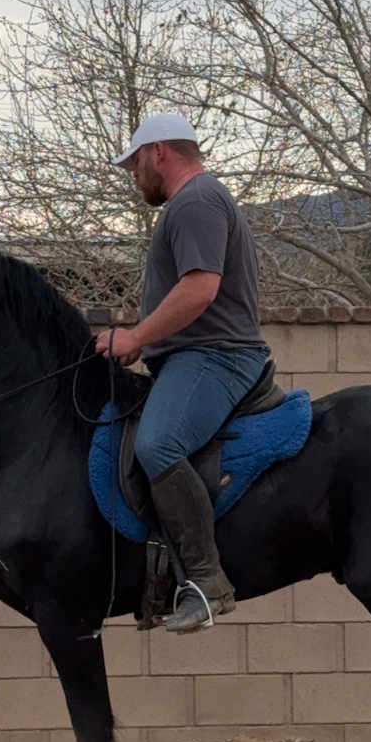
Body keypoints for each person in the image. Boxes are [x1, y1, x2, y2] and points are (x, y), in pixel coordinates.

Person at [97, 113, 270, 633]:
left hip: (216, 357)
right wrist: (143, 339)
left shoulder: (195, 201)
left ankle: (206, 582)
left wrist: (136, 336)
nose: (134, 174)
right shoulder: (193, 204)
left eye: (135, 163)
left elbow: (200, 290)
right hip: (194, 356)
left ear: (159, 152)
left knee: (157, 445)